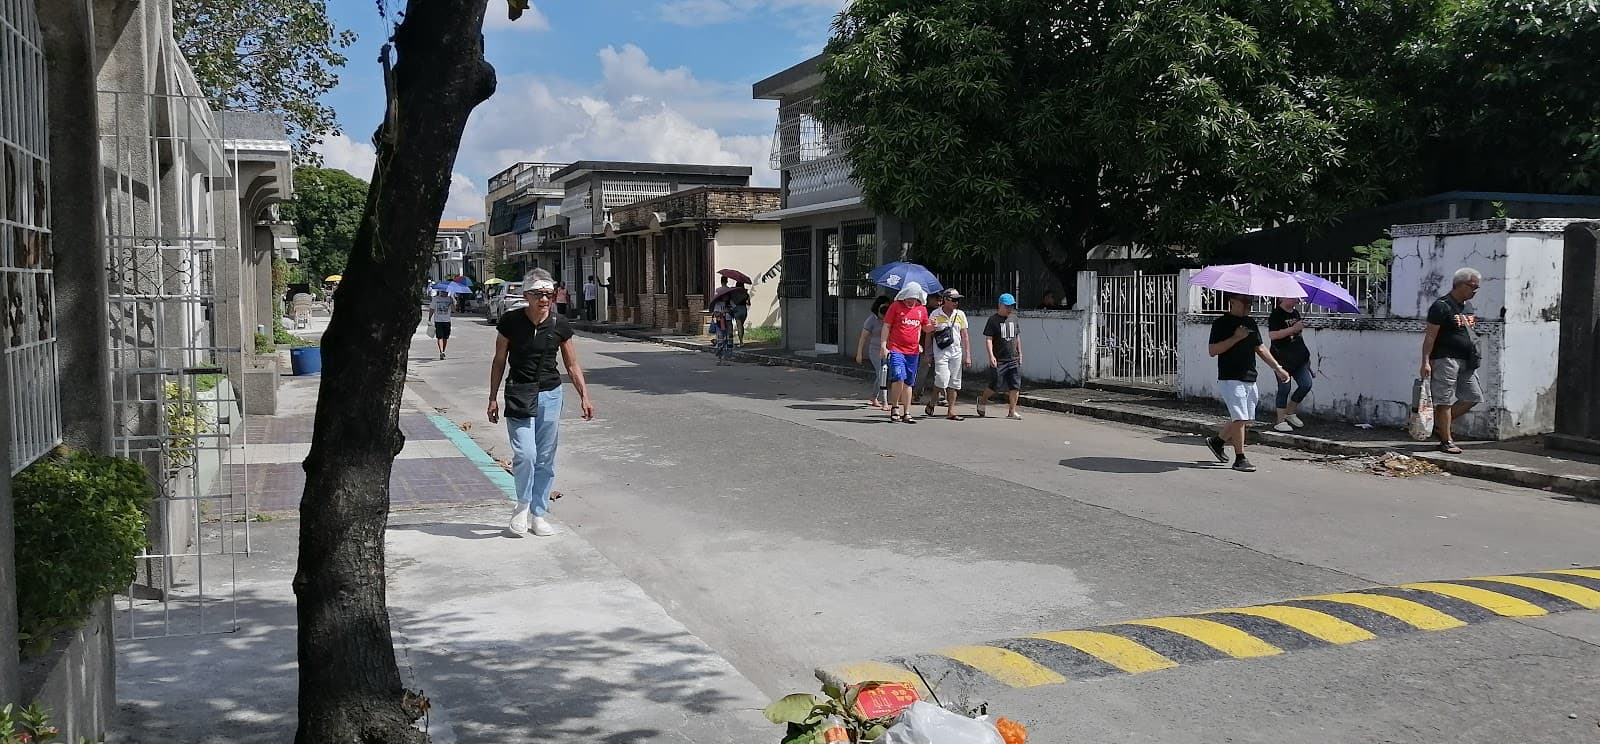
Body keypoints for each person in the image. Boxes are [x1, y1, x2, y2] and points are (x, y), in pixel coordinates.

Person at [488, 270, 596, 538]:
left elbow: (571, 364)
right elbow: (499, 360)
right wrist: (492, 397)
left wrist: (584, 395)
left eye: (548, 294)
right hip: (519, 392)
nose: (544, 299)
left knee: (545, 457)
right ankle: (522, 505)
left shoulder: (560, 325)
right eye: (538, 294)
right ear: (526, 296)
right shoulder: (510, 322)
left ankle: (538, 512)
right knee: (526, 454)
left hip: (550, 393)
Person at [1206, 293, 1292, 472]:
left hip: (1249, 376)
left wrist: (1278, 368)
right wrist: (1236, 337)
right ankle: (1240, 458)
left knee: (1245, 418)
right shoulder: (1221, 323)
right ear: (1232, 302)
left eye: (1250, 301)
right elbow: (1213, 350)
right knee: (1240, 417)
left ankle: (1217, 441)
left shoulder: (1250, 323)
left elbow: (1260, 348)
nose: (1248, 305)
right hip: (1230, 377)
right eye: (1244, 301)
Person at [1421, 267, 1483, 454]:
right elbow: (1430, 336)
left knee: (1473, 396)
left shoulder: (1468, 307)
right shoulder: (1442, 306)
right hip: (1445, 358)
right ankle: (1446, 440)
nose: (1475, 291)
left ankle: (1440, 425)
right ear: (1461, 285)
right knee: (1445, 400)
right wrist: (1425, 361)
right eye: (1473, 287)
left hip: (1467, 359)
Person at [880, 282, 931, 423]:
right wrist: (883, 346)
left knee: (909, 382)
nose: (910, 301)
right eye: (908, 298)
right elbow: (886, 326)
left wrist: (932, 326)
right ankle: (895, 407)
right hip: (896, 349)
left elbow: (926, 327)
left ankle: (907, 412)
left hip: (913, 351)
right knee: (898, 376)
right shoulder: (895, 307)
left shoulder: (921, 309)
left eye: (914, 299)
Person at [1267, 296, 1314, 432]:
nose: (1296, 299)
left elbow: (1298, 337)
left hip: (1298, 357)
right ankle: (1280, 420)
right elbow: (1273, 335)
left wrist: (1306, 357)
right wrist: (1293, 329)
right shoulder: (1276, 314)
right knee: (1284, 388)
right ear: (1282, 298)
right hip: (1281, 358)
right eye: (1292, 296)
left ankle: (1290, 412)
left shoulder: (1295, 313)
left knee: (1306, 384)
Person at [923, 289, 971, 420]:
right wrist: (928, 353)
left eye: (958, 300)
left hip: (956, 352)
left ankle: (951, 410)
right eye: (954, 300)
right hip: (941, 352)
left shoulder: (960, 314)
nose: (956, 303)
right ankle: (933, 401)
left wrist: (968, 355)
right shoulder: (935, 314)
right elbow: (928, 334)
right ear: (946, 300)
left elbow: (965, 336)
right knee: (942, 379)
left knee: (954, 383)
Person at [976, 294, 1024, 419]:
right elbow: (989, 339)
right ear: (1000, 305)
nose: (1009, 309)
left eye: (1011, 306)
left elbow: (1017, 336)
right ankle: (983, 399)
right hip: (1000, 359)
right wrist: (991, 355)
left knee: (1015, 385)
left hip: (1013, 358)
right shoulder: (993, 320)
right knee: (995, 384)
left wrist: (1020, 353)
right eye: (1007, 306)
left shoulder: (1014, 318)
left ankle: (1012, 411)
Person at [855, 296, 892, 409]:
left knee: (883, 375)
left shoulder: (890, 318)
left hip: (889, 349)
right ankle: (885, 402)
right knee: (882, 373)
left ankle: (874, 397)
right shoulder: (871, 319)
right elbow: (863, 337)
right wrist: (859, 353)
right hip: (875, 350)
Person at [710, 292, 736, 365]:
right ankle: (720, 358)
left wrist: (730, 310)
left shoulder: (730, 302)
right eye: (725, 296)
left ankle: (728, 356)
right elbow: (716, 314)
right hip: (720, 323)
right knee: (721, 340)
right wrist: (722, 312)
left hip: (728, 322)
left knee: (729, 339)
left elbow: (735, 310)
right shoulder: (718, 304)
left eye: (727, 296)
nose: (726, 297)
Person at [428, 289, 454, 359]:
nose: (444, 293)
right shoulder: (435, 299)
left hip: (447, 321)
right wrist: (429, 317)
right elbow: (432, 309)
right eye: (443, 291)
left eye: (446, 291)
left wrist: (452, 303)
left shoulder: (450, 299)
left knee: (445, 338)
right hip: (438, 321)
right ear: (440, 292)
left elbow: (454, 310)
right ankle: (441, 352)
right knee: (440, 337)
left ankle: (443, 351)